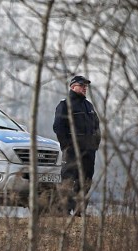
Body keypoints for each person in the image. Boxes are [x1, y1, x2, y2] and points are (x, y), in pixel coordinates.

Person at [53, 75, 101, 216]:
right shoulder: (64, 105)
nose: (85, 88)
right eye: (82, 85)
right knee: (68, 179)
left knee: (86, 180)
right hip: (72, 151)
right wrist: (67, 146)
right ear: (73, 87)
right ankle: (64, 211)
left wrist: (95, 144)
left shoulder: (89, 106)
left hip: (89, 151)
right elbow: (58, 127)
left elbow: (97, 127)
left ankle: (80, 211)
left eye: (86, 86)